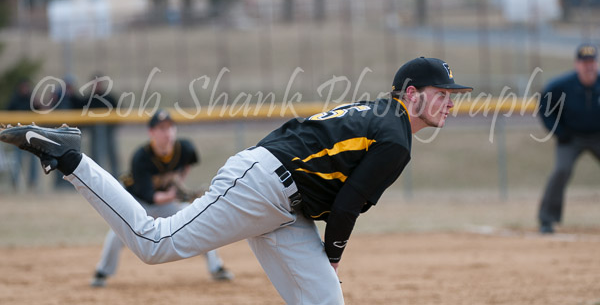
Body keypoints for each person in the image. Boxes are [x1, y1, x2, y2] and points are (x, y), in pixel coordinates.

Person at [0, 57, 472, 305]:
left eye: (452, 95)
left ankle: (66, 153)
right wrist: (331, 256)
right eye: (441, 93)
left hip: (283, 201)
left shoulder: (381, 116)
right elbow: (347, 206)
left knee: (325, 299)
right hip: (266, 187)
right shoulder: (396, 137)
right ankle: (69, 157)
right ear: (411, 94)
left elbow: (303, 136)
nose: (450, 101)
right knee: (153, 242)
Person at [90, 109, 233, 287]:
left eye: (171, 127)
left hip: (165, 201)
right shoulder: (141, 157)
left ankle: (216, 267)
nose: (168, 132)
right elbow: (152, 197)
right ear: (151, 132)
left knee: (197, 221)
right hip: (137, 201)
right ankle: (102, 271)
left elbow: (187, 165)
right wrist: (178, 194)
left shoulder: (184, 148)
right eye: (162, 128)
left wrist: (179, 184)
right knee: (117, 235)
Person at [537, 43, 600, 234]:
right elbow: (544, 108)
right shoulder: (560, 86)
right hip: (571, 137)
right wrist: (558, 131)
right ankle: (547, 219)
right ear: (577, 64)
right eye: (584, 62)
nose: (588, 66)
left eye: (591, 62)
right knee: (561, 170)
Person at [6, 78, 41, 190]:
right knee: (17, 159)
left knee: (34, 160)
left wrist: (38, 104)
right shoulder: (14, 100)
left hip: (32, 135)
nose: (25, 89)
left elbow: (42, 111)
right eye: (23, 87)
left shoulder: (32, 100)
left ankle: (33, 183)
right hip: (19, 135)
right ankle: (15, 183)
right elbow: (7, 114)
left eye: (27, 87)